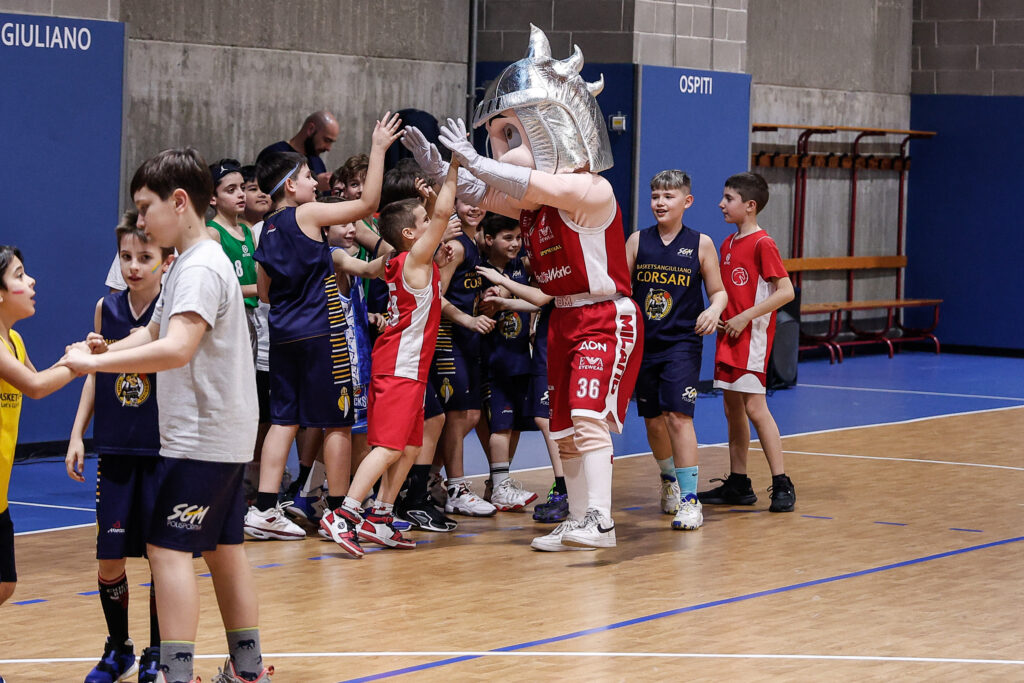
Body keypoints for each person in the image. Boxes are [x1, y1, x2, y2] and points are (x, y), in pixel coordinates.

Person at [408, 26, 643, 550]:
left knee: (587, 419)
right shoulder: (534, 204)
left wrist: (475, 160)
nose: (505, 148)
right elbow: (483, 192)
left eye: (512, 135)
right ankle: (579, 518)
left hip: (605, 314)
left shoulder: (590, 188)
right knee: (562, 427)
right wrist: (440, 166)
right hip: (562, 317)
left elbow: (528, 182)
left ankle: (600, 519)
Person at [61, 148, 273, 683]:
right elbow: (154, 332)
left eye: (145, 207)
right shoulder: (192, 261)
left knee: (167, 550)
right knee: (224, 549)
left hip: (201, 438)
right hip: (222, 435)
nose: (140, 221)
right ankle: (248, 669)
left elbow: (177, 348)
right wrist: (104, 350)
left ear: (179, 202)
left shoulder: (198, 266)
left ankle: (175, 674)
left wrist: (96, 366)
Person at [245, 113, 401, 548]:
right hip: (321, 334)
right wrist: (379, 149)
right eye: (307, 176)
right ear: (289, 186)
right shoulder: (308, 214)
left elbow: (265, 293)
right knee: (337, 423)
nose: (315, 181)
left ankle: (265, 508)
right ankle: (337, 511)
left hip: (283, 335)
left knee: (284, 421)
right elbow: (368, 204)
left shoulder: (265, 231)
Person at [321, 156, 461, 556]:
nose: (433, 222)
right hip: (399, 366)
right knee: (387, 446)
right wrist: (453, 167)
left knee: (410, 447)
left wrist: (427, 202)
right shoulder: (414, 260)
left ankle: (380, 516)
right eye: (424, 221)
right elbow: (444, 214)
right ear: (410, 234)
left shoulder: (403, 261)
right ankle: (345, 514)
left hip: (409, 367)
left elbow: (429, 237)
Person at [66, 215, 173, 683]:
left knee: (160, 558)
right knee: (110, 558)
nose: (133, 266)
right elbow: (94, 373)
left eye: (144, 257)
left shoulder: (173, 312)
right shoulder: (105, 309)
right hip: (114, 449)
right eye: (126, 256)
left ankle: (157, 652)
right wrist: (77, 433)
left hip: (161, 451)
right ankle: (119, 648)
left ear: (165, 262)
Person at [625, 170, 727, 531]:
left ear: (687, 201)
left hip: (682, 343)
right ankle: (669, 478)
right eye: (655, 196)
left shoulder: (701, 244)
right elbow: (621, 290)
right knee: (653, 420)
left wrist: (713, 310)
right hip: (644, 344)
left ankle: (690, 500)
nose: (660, 202)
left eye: (668, 196)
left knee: (678, 416)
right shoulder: (637, 241)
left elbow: (718, 291)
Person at [697, 172, 796, 513]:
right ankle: (739, 482)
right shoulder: (727, 243)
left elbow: (786, 292)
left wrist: (744, 317)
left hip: (751, 339)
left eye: (729, 198)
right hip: (728, 337)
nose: (721, 204)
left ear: (750, 205)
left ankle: (781, 482)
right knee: (732, 409)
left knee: (755, 408)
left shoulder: (762, 243)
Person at [0, 246, 80, 620]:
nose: (31, 281)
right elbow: (34, 386)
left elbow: (42, 379)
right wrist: (79, 364)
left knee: (5, 584)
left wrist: (80, 355)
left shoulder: (14, 341)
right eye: (19, 275)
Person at [429, 198, 496, 517]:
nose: (474, 207)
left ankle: (428, 477)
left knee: (469, 416)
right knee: (458, 416)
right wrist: (468, 319)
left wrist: (485, 298)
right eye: (466, 201)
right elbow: (435, 295)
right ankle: (456, 487)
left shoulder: (474, 244)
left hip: (467, 341)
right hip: (447, 338)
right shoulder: (455, 246)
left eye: (478, 200)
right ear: (455, 203)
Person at [476, 215, 538, 511]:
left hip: (520, 360)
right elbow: (481, 307)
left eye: (518, 238)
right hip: (494, 362)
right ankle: (501, 485)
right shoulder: (480, 270)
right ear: (489, 239)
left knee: (514, 426)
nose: (515, 244)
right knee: (500, 426)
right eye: (508, 238)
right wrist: (488, 297)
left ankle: (498, 482)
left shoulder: (520, 266)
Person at [206, 159, 260, 354]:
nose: (241, 194)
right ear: (213, 198)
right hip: (226, 317)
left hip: (250, 315)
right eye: (231, 190)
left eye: (242, 188)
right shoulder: (212, 233)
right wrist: (261, 289)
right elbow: (216, 287)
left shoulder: (248, 231)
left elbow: (257, 273)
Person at [257, 110, 339, 192]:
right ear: (311, 129)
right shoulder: (274, 155)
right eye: (326, 140)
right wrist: (316, 184)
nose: (328, 148)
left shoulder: (317, 162)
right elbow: (270, 193)